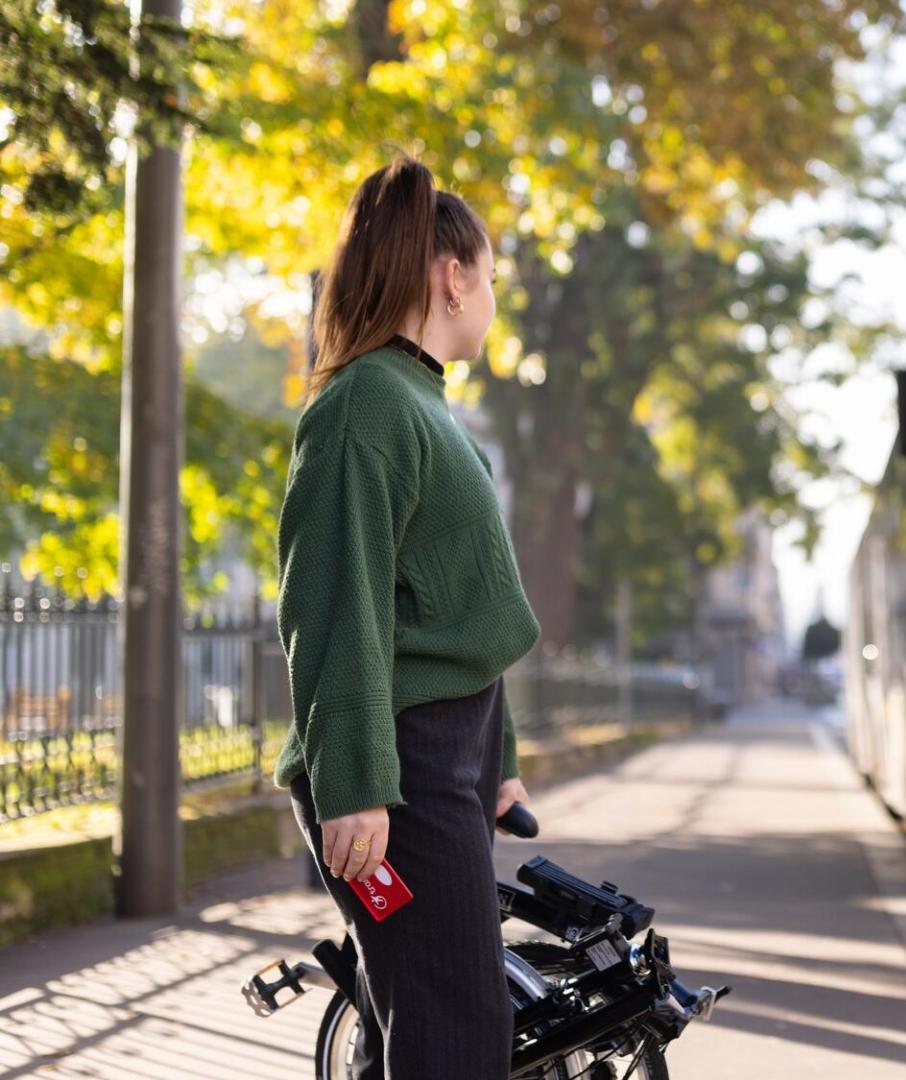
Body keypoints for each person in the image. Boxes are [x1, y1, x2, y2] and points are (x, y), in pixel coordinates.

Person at [275, 156, 540, 1078]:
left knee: (431, 1022)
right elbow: (333, 605)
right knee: (455, 1031)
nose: (494, 301)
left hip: (438, 766)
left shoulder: (421, 404)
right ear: (450, 276)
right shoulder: (365, 407)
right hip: (394, 771)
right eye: (492, 278)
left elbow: (460, 616)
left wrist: (495, 769)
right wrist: (352, 785)